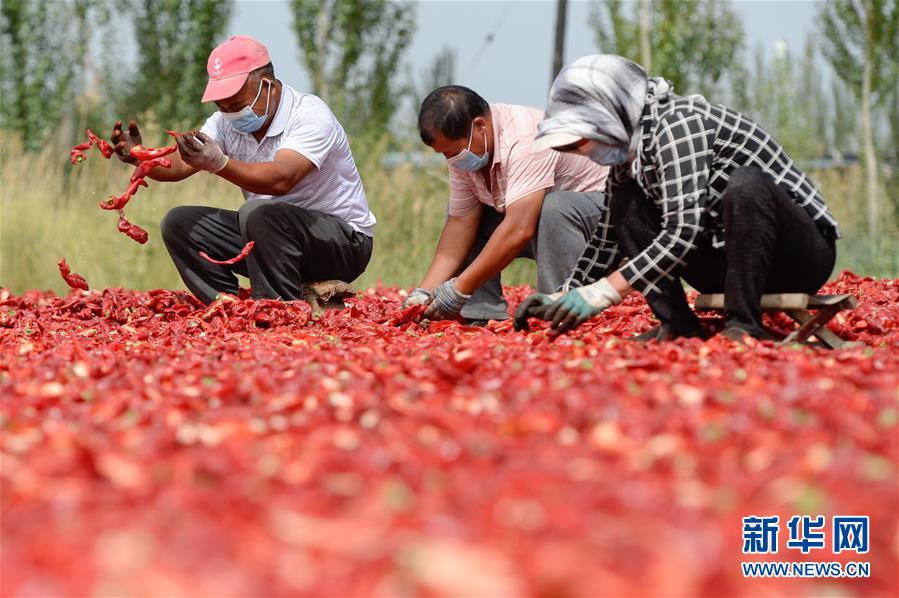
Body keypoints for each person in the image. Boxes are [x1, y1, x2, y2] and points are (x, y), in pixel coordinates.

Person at [514, 54, 840, 340]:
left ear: (613, 111)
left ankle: (743, 325)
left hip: (799, 256)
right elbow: (606, 241)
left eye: (583, 138)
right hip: (730, 264)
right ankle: (679, 326)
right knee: (625, 203)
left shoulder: (679, 123)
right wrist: (563, 296)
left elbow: (682, 232)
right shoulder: (629, 160)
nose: (583, 150)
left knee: (746, 185)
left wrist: (605, 291)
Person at [110, 35, 375, 305]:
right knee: (179, 223)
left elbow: (281, 179)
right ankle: (227, 307)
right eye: (221, 105)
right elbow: (178, 165)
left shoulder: (310, 115)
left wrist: (219, 164)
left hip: (342, 244)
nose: (229, 112)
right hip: (271, 239)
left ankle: (275, 311)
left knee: (258, 213)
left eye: (236, 104)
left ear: (268, 86)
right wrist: (140, 157)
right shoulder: (226, 122)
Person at [405, 85, 612, 324]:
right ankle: (481, 314)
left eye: (453, 152)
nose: (451, 161)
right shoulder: (465, 153)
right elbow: (460, 224)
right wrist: (424, 293)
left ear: (480, 126)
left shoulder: (528, 138)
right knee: (474, 215)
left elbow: (519, 229)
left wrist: (458, 289)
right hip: (544, 226)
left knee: (554, 207)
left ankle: (564, 308)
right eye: (444, 155)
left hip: (599, 221)